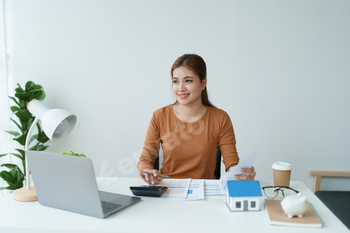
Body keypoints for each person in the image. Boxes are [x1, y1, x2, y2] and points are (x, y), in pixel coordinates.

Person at [137, 54, 256, 184]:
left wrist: (241, 174)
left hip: (206, 192)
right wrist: (146, 170)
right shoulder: (159, 116)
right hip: (168, 188)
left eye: (188, 81)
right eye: (176, 81)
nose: (180, 88)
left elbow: (232, 163)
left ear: (203, 83)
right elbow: (145, 158)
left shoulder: (220, 118)